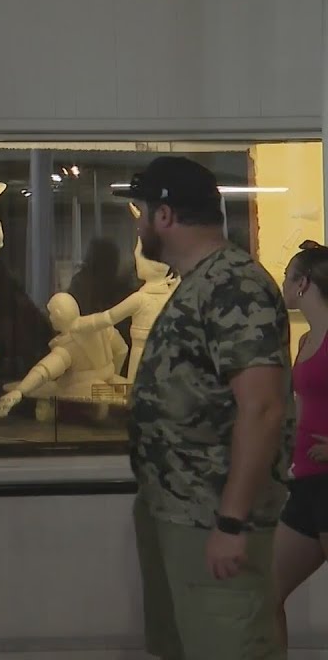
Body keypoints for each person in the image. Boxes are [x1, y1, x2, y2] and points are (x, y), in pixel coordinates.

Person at [112, 157, 293, 660]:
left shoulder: (235, 285)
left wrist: (231, 523)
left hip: (211, 518)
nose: (139, 223)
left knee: (230, 643)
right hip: (176, 511)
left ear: (165, 216)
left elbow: (263, 407)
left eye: (142, 211)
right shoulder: (196, 283)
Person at [274, 240, 328, 648]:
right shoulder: (305, 340)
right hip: (306, 485)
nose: (283, 284)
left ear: (304, 283)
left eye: (289, 275)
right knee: (264, 595)